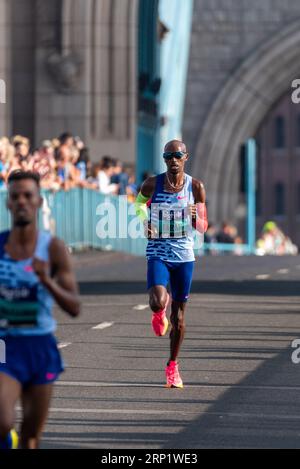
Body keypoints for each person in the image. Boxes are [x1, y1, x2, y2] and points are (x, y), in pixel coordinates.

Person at [0, 171, 80, 449]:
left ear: (38, 202)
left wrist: (46, 280)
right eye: (15, 197)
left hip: (41, 346)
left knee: (31, 437)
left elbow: (74, 307)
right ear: (8, 204)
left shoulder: (53, 248)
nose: (21, 201)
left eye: (27, 196)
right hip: (5, 344)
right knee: (1, 420)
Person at [135, 140, 208, 388]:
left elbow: (203, 227)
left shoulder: (196, 187)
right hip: (158, 251)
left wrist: (196, 216)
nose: (173, 160)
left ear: (185, 157)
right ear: (164, 159)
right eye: (168, 156)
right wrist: (145, 221)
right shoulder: (152, 184)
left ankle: (172, 366)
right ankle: (157, 313)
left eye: (177, 155)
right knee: (158, 300)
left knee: (179, 318)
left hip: (184, 256)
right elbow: (137, 204)